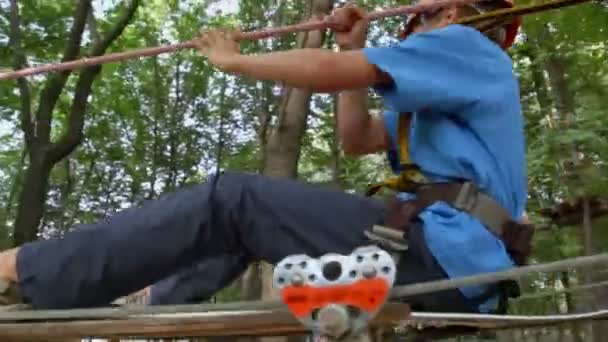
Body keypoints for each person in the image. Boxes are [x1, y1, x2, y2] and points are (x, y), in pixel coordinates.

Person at [0, 0, 532, 314]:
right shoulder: (442, 110)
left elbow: (331, 76)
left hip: (447, 257)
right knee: (243, 222)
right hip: (441, 258)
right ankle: (150, 299)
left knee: (233, 198)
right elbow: (357, 136)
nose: (410, 35)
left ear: (456, 12)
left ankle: (25, 271)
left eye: (416, 20)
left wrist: (236, 62)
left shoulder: (467, 44)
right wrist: (353, 47)